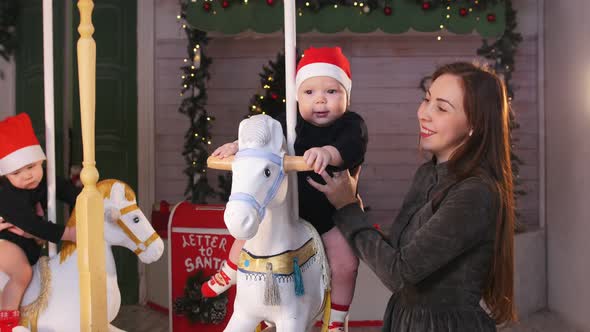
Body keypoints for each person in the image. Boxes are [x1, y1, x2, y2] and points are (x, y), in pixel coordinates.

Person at [308, 62, 518, 331]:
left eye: (441, 108)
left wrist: (348, 208)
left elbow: (399, 273)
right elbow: (396, 251)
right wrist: (352, 206)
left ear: (474, 125)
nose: (424, 114)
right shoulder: (427, 174)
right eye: (427, 100)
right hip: (405, 320)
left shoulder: (475, 193)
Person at [203, 47, 368, 331]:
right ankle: (229, 272)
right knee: (247, 233)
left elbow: (352, 147)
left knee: (345, 262)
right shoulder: (289, 123)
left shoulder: (351, 125)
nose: (320, 99)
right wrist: (237, 146)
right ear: (296, 97)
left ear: (347, 96)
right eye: (309, 92)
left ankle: (337, 318)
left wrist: (329, 153)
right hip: (287, 210)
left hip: (328, 216)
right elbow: (260, 139)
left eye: (332, 91)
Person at [0, 113, 79, 332]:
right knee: (22, 273)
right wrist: (69, 234)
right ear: (6, 175)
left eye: (32, 166)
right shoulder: (7, 196)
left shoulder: (46, 181)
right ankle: (5, 323)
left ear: (42, 161)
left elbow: (70, 193)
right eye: (17, 172)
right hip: (6, 242)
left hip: (29, 245)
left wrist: (81, 203)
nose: (27, 176)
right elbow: (32, 225)